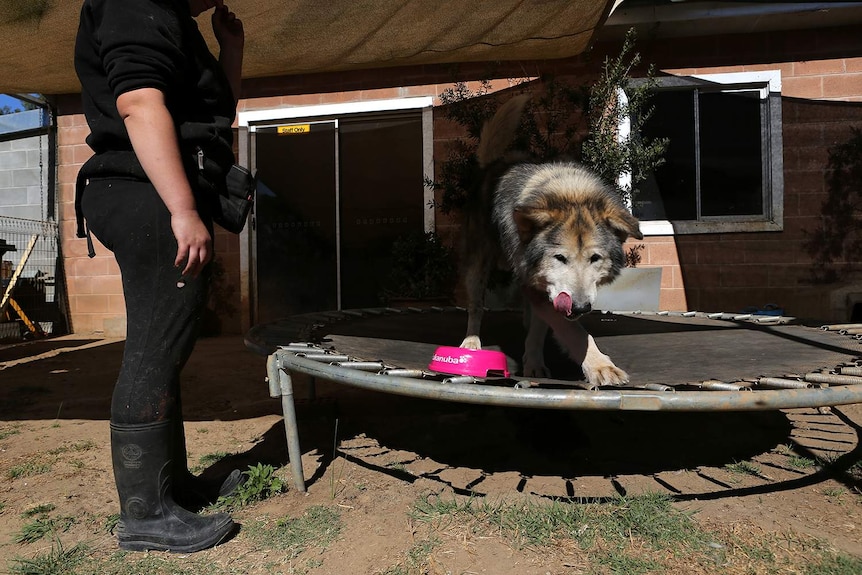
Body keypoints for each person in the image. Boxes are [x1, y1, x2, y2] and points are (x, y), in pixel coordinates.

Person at [74, 0, 244, 553]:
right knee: (153, 348)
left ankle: (172, 487)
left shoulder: (170, 17)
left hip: (154, 195)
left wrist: (229, 53)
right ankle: (145, 514)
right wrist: (182, 210)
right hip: (144, 195)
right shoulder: (135, 2)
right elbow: (139, 103)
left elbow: (210, 116)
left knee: (165, 343)